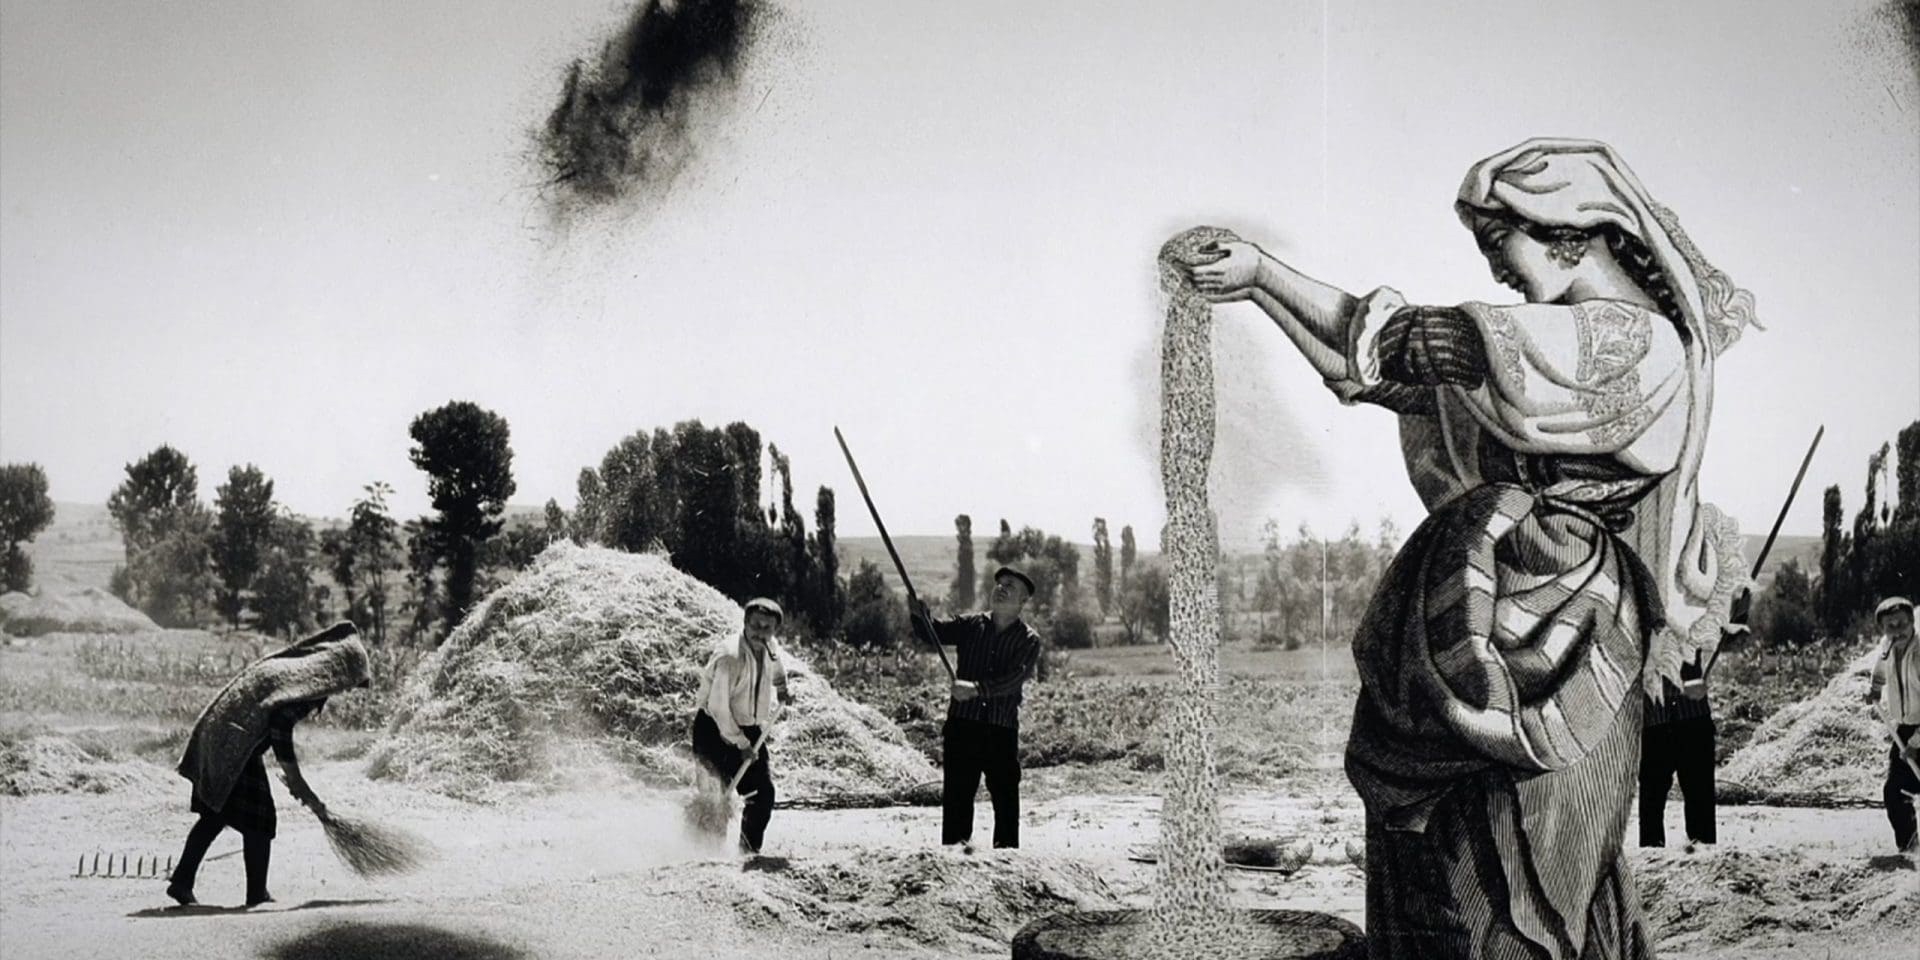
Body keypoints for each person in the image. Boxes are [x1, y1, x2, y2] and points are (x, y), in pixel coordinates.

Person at [1185, 138, 1758, 958]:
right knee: (1453, 852)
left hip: (1569, 623)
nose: (1498, 272)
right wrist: (1259, 287)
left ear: (1573, 232)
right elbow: (1376, 374)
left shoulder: (1631, 343)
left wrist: (1268, 274)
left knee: (1536, 855)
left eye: (1502, 245)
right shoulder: (1543, 350)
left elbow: (1415, 345)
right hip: (1495, 601)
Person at [169, 620, 371, 907]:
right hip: (233, 744)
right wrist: (295, 778)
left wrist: (295, 779)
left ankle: (182, 882)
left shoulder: (294, 673)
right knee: (260, 820)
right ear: (339, 671)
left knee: (216, 814)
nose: (347, 689)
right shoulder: (308, 684)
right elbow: (279, 725)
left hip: (220, 737)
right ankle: (256, 895)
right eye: (350, 682)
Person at [910, 566, 1044, 850]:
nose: (1001, 588)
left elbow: (1014, 679)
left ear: (1023, 601)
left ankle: (1008, 864)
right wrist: (918, 614)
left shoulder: (1029, 640)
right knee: (957, 798)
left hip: (1000, 729)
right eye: (999, 583)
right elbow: (932, 633)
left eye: (1010, 585)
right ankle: (955, 864)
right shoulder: (971, 625)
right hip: (962, 726)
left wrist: (976, 689)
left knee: (1006, 800)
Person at [1640, 586, 1747, 849]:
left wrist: (1742, 602)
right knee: (1651, 808)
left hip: (1692, 720)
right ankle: (1653, 873)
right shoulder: (1639, 619)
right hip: (1656, 721)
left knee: (1701, 811)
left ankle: (1703, 869)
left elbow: (1730, 635)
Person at [690, 596, 792, 855]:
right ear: (745, 622)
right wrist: (741, 744)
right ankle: (704, 856)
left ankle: (747, 852)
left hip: (748, 728)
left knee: (762, 794)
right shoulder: (730, 656)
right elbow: (719, 708)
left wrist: (782, 688)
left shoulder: (769, 647)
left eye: (767, 628)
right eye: (756, 625)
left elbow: (777, 665)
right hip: (713, 729)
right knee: (716, 798)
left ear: (774, 630)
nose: (761, 632)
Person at [1865, 595, 1920, 853]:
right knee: (1895, 790)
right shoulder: (1887, 647)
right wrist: (1875, 690)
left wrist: (1916, 743)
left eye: (1902, 624)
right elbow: (1880, 669)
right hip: (1905, 728)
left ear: (1912, 623)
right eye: (1890, 626)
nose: (1897, 631)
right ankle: (1909, 848)